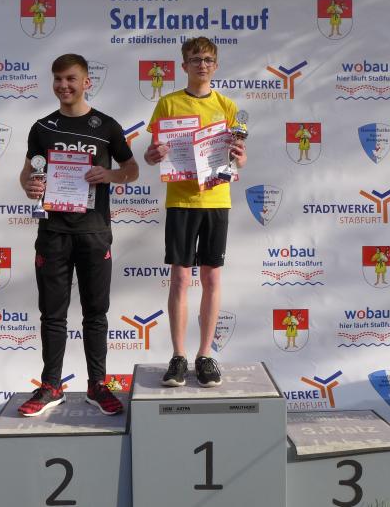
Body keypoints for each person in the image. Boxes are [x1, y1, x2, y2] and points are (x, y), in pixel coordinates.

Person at [18, 54, 139, 416]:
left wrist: (111, 175)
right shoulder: (42, 127)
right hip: (53, 232)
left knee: (96, 313)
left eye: (71, 78)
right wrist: (31, 186)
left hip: (94, 232)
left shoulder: (107, 126)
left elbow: (131, 169)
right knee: (52, 314)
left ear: (87, 82)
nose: (63, 85)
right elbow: (27, 173)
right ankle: (51, 386)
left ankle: (97, 385)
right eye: (58, 79)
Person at [144, 37, 247, 388]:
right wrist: (154, 155)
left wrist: (239, 158)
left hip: (216, 200)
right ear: (184, 65)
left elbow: (238, 157)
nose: (201, 65)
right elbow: (152, 154)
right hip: (181, 201)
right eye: (195, 59)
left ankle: (205, 355)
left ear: (215, 66)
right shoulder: (168, 103)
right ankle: (178, 356)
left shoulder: (227, 106)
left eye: (207, 59)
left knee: (212, 279)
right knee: (180, 279)